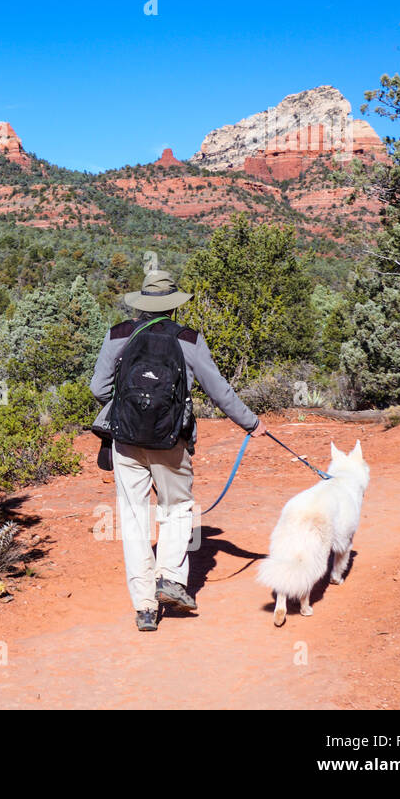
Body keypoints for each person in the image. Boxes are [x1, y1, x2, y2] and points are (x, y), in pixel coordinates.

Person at [90, 269, 266, 632]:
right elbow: (220, 392)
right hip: (171, 441)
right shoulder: (189, 340)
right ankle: (170, 578)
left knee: (135, 520)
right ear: (172, 308)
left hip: (126, 441)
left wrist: (129, 406)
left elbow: (98, 388)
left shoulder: (118, 334)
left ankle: (144, 607)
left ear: (142, 304)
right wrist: (251, 423)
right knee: (177, 508)